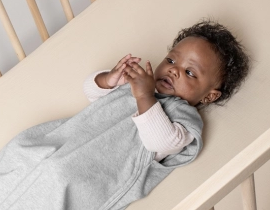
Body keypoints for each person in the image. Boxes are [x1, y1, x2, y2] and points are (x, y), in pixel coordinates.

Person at [83, 19, 251, 162]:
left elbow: (162, 144)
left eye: (189, 72)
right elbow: (91, 93)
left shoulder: (184, 117)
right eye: (171, 60)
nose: (173, 70)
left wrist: (144, 96)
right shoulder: (138, 82)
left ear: (209, 96)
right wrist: (109, 80)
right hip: (77, 138)